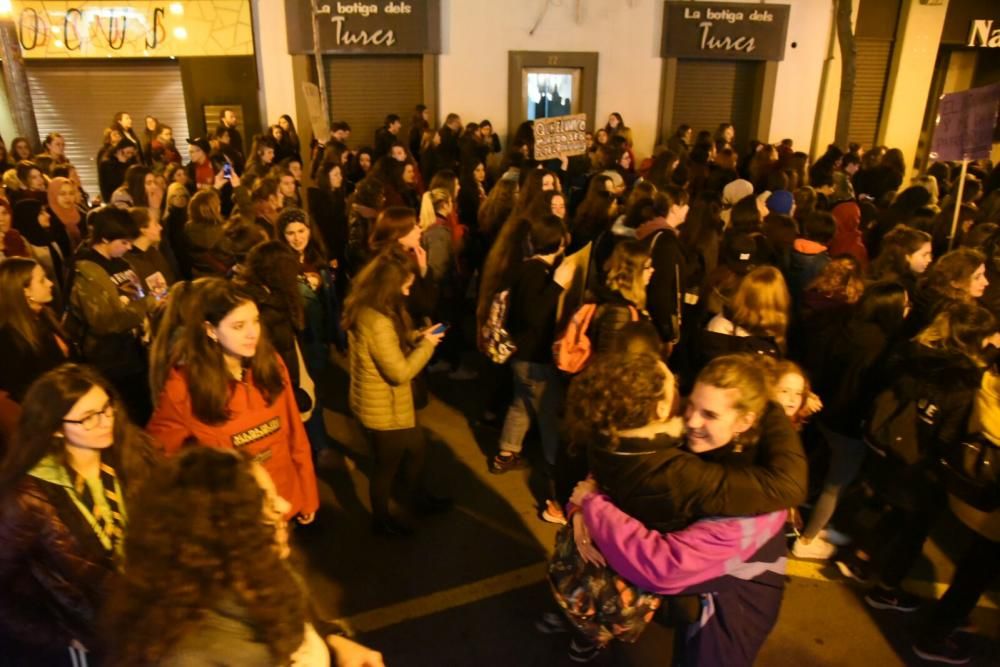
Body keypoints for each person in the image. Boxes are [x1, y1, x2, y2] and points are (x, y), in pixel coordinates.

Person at [557, 353, 806, 665]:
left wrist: (590, 505)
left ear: (746, 420)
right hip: (669, 607)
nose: (691, 420)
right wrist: (585, 504)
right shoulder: (670, 453)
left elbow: (666, 567)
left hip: (729, 615)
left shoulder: (754, 509)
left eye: (709, 414)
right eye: (688, 404)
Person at [104, 447, 383, 666]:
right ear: (218, 533)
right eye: (264, 501)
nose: (285, 506)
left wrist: (335, 644)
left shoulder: (265, 569)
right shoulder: (188, 655)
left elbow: (301, 625)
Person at [0, 364, 158, 664]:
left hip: (151, 618)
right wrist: (55, 635)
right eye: (87, 418)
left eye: (106, 408)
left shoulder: (134, 456)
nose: (104, 422)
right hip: (92, 638)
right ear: (56, 428)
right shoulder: (28, 496)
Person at [862, 303, 998, 615]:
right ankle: (887, 590)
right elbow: (949, 438)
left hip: (893, 453)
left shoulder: (917, 356)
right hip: (922, 470)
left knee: (892, 516)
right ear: (978, 341)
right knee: (912, 532)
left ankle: (864, 559)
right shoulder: (962, 384)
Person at [146, 277, 318, 522]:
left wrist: (307, 493)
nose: (252, 334)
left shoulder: (271, 364)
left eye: (255, 321)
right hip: (237, 519)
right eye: (238, 326)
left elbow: (294, 433)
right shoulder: (184, 388)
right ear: (211, 330)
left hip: (284, 501)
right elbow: (158, 458)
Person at [793, 282, 910, 560]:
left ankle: (800, 514)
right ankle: (807, 540)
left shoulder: (845, 327)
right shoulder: (883, 347)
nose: (909, 309)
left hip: (826, 414)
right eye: (905, 304)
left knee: (820, 467)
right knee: (837, 484)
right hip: (850, 425)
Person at [342, 247, 448, 536]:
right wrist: (428, 346)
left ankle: (415, 499)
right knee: (386, 467)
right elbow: (399, 372)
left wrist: (417, 336)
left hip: (392, 404)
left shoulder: (375, 308)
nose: (408, 289)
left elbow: (392, 344)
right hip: (383, 407)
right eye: (406, 283)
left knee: (416, 448)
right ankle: (382, 520)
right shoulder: (376, 321)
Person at [66, 206, 156, 423]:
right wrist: (150, 303)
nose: (128, 247)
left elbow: (136, 295)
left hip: (134, 352)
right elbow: (105, 321)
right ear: (105, 238)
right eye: (123, 242)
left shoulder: (122, 262)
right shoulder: (87, 270)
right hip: (110, 359)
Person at [0, 258, 72, 403]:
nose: (50, 283)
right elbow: (16, 391)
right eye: (42, 280)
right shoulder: (9, 337)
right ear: (25, 290)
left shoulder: (44, 315)